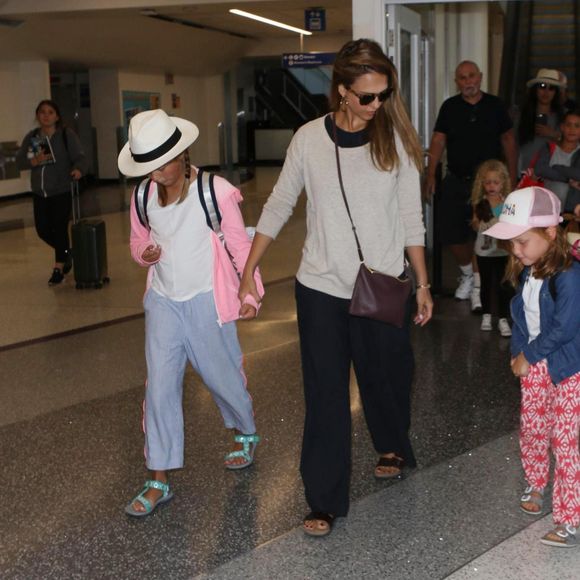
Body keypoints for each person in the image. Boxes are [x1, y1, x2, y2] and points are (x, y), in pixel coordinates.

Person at [239, 39, 433, 537]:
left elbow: (412, 218)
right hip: (321, 287)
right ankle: (323, 498)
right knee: (325, 392)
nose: (378, 106)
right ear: (342, 92)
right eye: (367, 96)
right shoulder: (308, 139)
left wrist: (425, 283)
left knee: (384, 375)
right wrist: (248, 270)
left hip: (384, 283)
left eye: (385, 94)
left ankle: (391, 442)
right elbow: (281, 203)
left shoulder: (397, 141)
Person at [117, 109, 263, 517]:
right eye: (149, 164)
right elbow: (137, 240)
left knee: (221, 376)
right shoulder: (143, 196)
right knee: (159, 387)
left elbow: (239, 245)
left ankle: (245, 429)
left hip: (206, 300)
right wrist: (144, 253)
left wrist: (251, 292)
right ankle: (158, 478)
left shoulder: (213, 191)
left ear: (182, 153)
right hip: (163, 303)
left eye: (165, 161)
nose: (158, 171)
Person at [485, 186, 580, 548]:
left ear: (550, 234)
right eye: (512, 242)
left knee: (565, 440)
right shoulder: (529, 270)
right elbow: (523, 316)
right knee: (534, 426)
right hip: (537, 361)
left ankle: (569, 519)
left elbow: (564, 328)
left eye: (522, 241)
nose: (516, 250)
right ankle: (536, 482)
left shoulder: (569, 276)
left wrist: (529, 355)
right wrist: (518, 350)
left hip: (568, 367)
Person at [425, 61, 517, 311]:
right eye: (462, 78)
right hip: (457, 179)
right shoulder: (450, 107)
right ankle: (467, 273)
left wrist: (512, 176)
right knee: (451, 232)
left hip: (489, 186)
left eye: (472, 76)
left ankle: (478, 287)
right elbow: (438, 140)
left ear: (481, 77)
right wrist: (431, 174)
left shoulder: (496, 106)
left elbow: (508, 140)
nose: (468, 82)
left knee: (484, 235)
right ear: (457, 82)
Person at [16, 100, 88, 285]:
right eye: (42, 112)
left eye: (50, 112)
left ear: (56, 116)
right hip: (40, 192)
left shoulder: (66, 135)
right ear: (37, 116)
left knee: (59, 228)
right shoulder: (32, 137)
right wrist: (33, 162)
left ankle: (58, 268)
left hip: (61, 190)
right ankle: (67, 252)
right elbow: (19, 161)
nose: (46, 116)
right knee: (42, 230)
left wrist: (78, 169)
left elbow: (80, 157)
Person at [470, 160, 513, 336]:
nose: (491, 186)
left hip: (503, 251)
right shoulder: (480, 204)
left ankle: (503, 318)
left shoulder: (508, 203)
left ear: (503, 183)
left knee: (504, 285)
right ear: (482, 184)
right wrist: (479, 221)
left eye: (495, 182)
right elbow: (475, 225)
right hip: (484, 250)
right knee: (486, 284)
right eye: (488, 182)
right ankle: (487, 314)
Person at [517, 69, 564, 174]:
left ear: (555, 92)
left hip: (551, 171)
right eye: (542, 86)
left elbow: (570, 145)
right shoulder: (522, 114)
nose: (546, 92)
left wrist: (554, 134)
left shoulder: (561, 117)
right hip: (525, 169)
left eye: (551, 88)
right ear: (535, 89)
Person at [535, 110, 580, 213]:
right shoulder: (549, 147)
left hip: (571, 212)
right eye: (568, 125)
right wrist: (568, 180)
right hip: (545, 208)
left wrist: (557, 168)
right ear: (562, 127)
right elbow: (540, 169)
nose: (572, 129)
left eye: (577, 126)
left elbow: (578, 174)